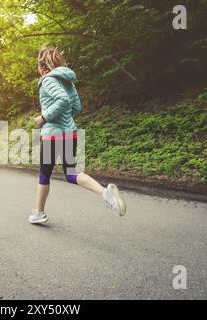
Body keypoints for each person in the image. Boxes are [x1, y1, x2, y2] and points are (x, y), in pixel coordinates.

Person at [29, 45, 127, 224]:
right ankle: (105, 194)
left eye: (38, 66)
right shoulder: (67, 81)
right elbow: (76, 107)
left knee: (44, 175)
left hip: (52, 135)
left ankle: (39, 213)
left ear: (43, 67)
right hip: (69, 133)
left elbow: (63, 100)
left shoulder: (48, 80)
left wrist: (44, 117)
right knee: (72, 173)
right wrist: (64, 118)